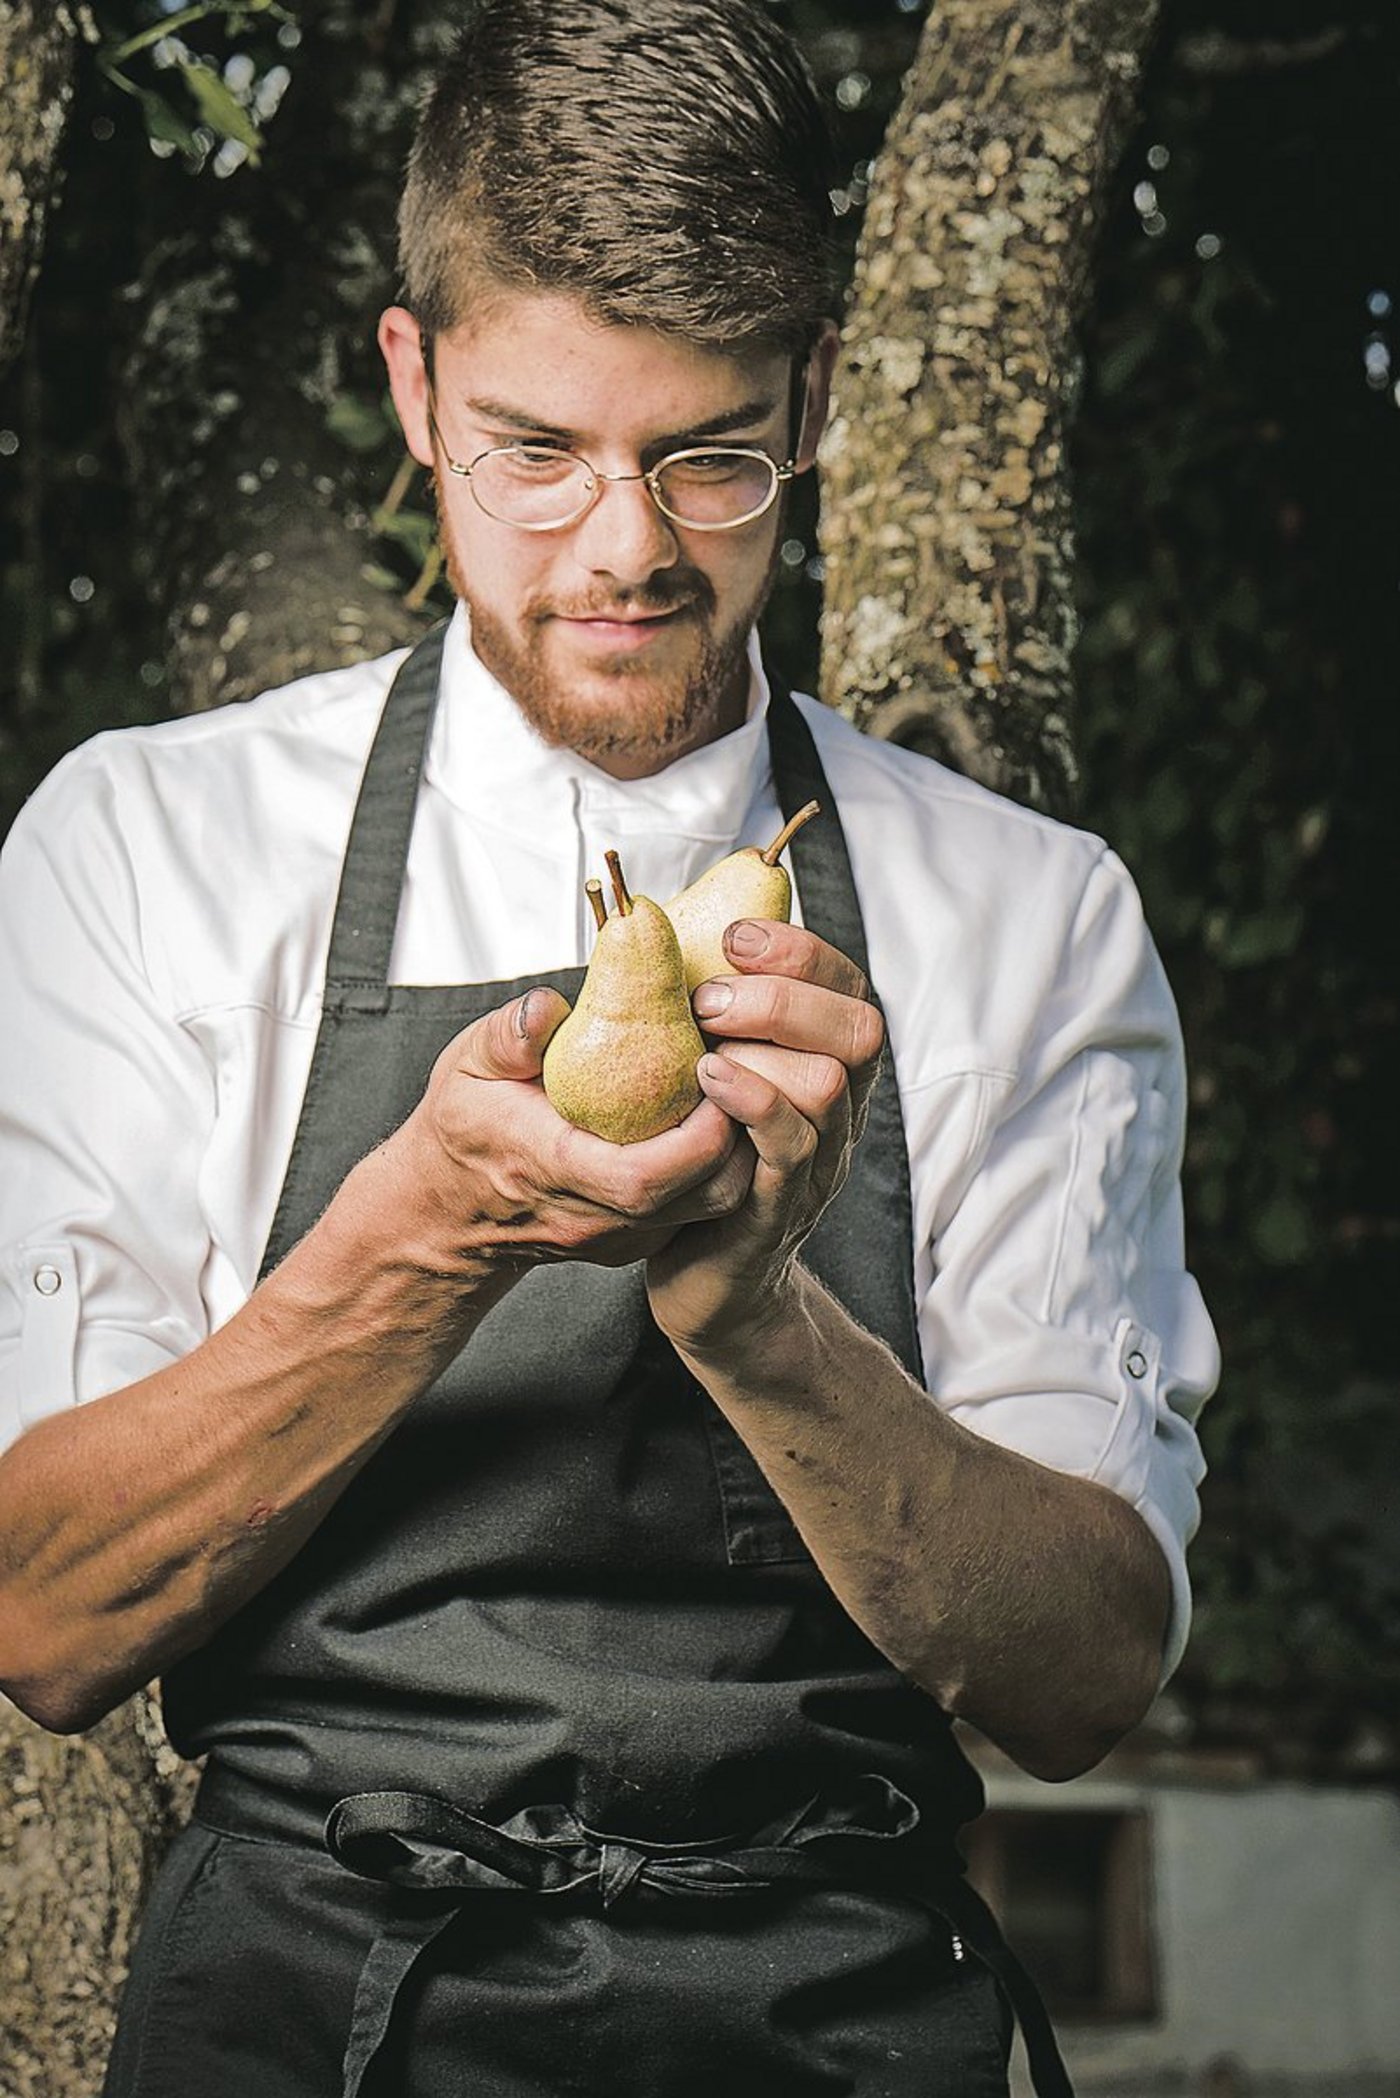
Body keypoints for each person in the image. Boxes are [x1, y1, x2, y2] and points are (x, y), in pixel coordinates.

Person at [0, 3, 1218, 2093]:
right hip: (308, 2014)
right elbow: (44, 1613)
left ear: (813, 398)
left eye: (709, 453)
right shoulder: (148, 850)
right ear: (414, 386)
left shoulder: (1027, 914)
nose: (628, 548)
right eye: (536, 451)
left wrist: (762, 1324)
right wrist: (427, 1230)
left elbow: (1084, 1669)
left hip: (838, 2018)